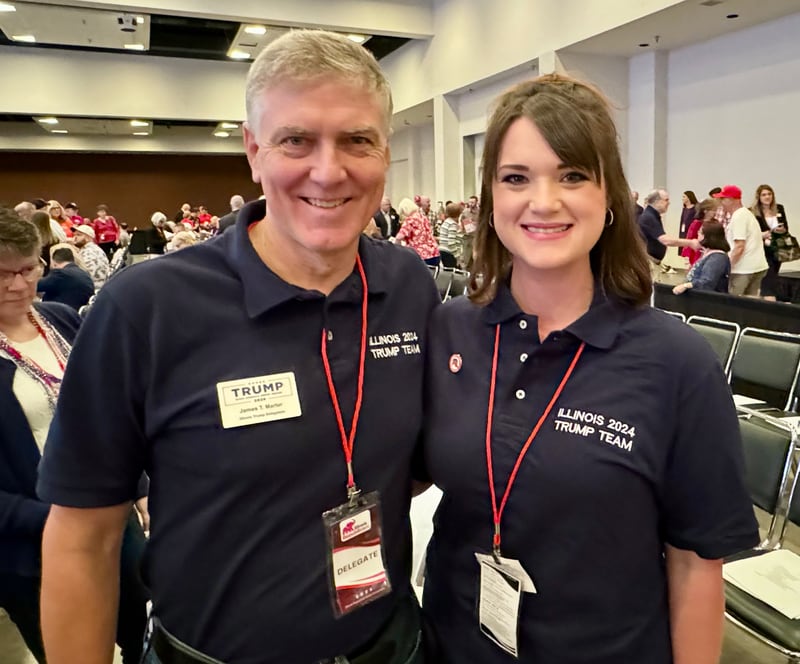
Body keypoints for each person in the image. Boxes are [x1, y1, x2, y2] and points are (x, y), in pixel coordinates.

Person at [37, 29, 438, 664]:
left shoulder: (408, 284)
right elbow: (82, 537)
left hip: (391, 645)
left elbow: (411, 462)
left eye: (357, 140)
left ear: (385, 151)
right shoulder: (148, 307)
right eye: (296, 140)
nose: (328, 171)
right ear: (253, 151)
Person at [419, 74, 758, 664]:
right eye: (516, 178)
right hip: (452, 643)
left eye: (572, 175)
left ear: (609, 197)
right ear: (491, 197)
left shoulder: (675, 363)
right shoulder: (450, 330)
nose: (543, 201)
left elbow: (695, 566)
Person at [0, 208, 148, 664]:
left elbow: (113, 412)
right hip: (31, 544)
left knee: (142, 635)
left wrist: (138, 488)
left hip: (111, 520)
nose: (19, 284)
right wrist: (57, 520)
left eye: (28, 268)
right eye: (2, 274)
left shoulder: (61, 317)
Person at [713, 185, 769, 297]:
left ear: (732, 200)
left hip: (743, 269)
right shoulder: (747, 214)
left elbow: (739, 247)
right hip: (757, 266)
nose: (721, 202)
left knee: (734, 304)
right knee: (750, 304)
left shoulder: (739, 217)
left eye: (723, 199)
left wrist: (726, 267)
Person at [637, 189, 699, 278]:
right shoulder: (648, 217)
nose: (669, 203)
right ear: (657, 202)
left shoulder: (653, 216)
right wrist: (690, 243)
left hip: (651, 261)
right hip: (647, 261)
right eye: (666, 200)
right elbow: (665, 240)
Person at [750, 184, 789, 301]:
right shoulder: (753, 212)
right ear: (759, 197)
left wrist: (781, 230)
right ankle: (770, 301)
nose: (767, 197)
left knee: (772, 277)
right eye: (764, 195)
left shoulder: (779, 208)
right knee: (768, 277)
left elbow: (786, 227)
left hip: (777, 248)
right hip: (763, 249)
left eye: (769, 194)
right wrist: (762, 234)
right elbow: (752, 232)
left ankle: (764, 299)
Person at [673, 221, 731, 294]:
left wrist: (686, 286)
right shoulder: (709, 255)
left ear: (707, 236)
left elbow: (708, 282)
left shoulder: (717, 258)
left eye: (700, 232)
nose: (697, 233)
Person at [394, 198, 440, 266]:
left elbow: (399, 237)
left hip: (420, 256)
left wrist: (396, 250)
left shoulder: (410, 220)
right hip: (434, 253)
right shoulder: (423, 217)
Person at [680, 198, 718, 267]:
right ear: (706, 211)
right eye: (713, 210)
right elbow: (689, 239)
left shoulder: (716, 223)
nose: (715, 213)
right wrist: (687, 258)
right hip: (697, 254)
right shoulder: (697, 223)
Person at [72, 224, 110, 290]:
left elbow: (85, 276)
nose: (74, 238)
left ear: (88, 238)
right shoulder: (91, 249)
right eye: (74, 235)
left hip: (93, 289)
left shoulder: (90, 252)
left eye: (79, 235)